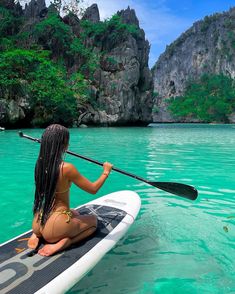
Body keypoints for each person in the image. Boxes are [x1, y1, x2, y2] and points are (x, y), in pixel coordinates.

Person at [27, 124, 113, 256]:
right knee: (93, 222)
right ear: (64, 145)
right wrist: (105, 172)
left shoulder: (40, 165)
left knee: (75, 212)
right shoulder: (66, 168)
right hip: (56, 227)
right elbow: (93, 189)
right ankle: (65, 242)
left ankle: (37, 235)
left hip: (39, 219)